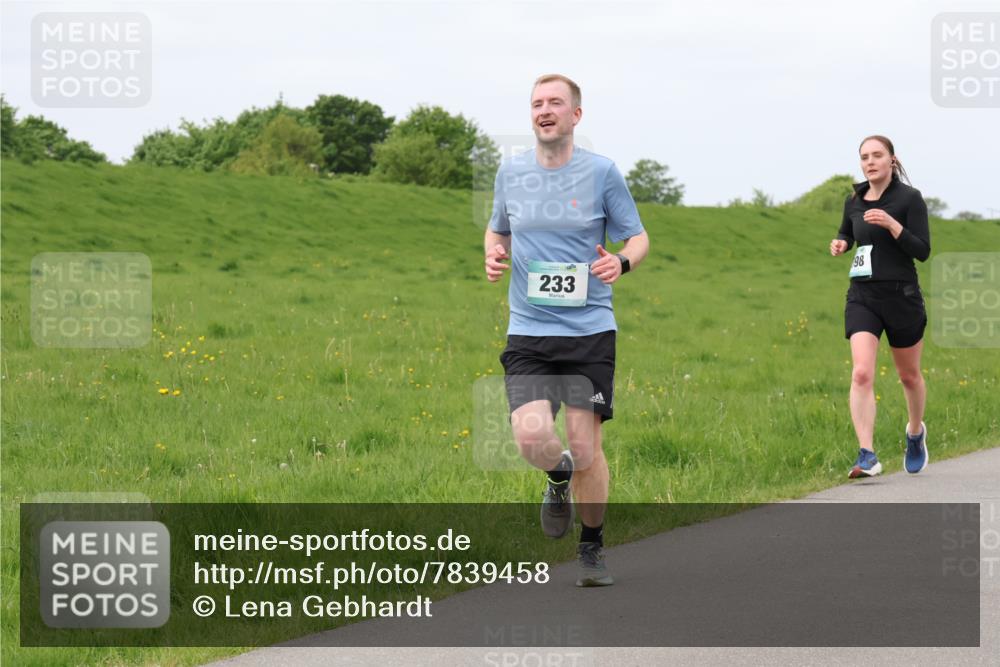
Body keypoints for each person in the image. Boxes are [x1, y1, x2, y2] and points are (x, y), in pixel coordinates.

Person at [484, 74, 649, 586]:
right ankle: (556, 479)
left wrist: (620, 263)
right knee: (533, 438)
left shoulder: (602, 174)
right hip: (530, 329)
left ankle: (592, 547)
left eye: (556, 102)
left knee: (585, 447)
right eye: (537, 103)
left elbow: (638, 238)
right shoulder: (511, 173)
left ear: (576, 115)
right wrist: (492, 252)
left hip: (590, 330)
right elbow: (497, 227)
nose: (544, 110)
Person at [830, 135, 931, 479]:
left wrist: (891, 224)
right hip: (863, 296)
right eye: (864, 157)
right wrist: (841, 242)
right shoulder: (854, 199)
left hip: (902, 296)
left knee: (909, 375)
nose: (870, 162)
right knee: (861, 372)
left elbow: (922, 249)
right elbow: (848, 232)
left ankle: (915, 433)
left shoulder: (909, 199)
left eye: (877, 155)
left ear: (892, 160)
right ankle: (867, 454)